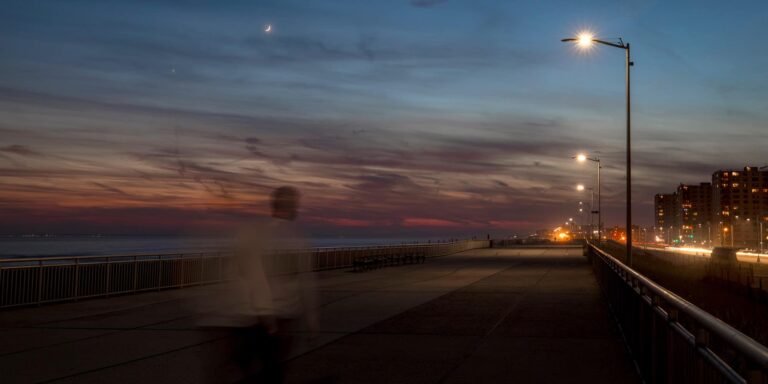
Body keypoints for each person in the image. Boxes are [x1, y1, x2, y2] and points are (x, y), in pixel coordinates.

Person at [199, 186, 317, 383]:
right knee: (272, 369)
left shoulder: (255, 232)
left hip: (253, 314)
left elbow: (243, 273)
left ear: (273, 205)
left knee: (251, 366)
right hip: (282, 315)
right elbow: (307, 282)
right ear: (293, 207)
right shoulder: (298, 238)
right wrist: (313, 322)